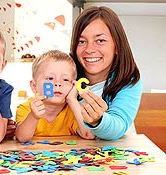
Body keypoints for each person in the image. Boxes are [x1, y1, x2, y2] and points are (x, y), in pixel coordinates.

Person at [67, 6, 142, 140]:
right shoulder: (66, 76)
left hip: (114, 155)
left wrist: (98, 121)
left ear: (117, 46)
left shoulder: (128, 81)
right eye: (81, 41)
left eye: (100, 41)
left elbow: (118, 126)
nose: (89, 49)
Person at [15, 50, 95, 142]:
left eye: (65, 79)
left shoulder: (73, 111)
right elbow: (22, 138)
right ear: (34, 86)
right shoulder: (25, 108)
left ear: (73, 85)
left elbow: (89, 134)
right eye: (50, 78)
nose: (58, 83)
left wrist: (72, 99)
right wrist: (33, 116)